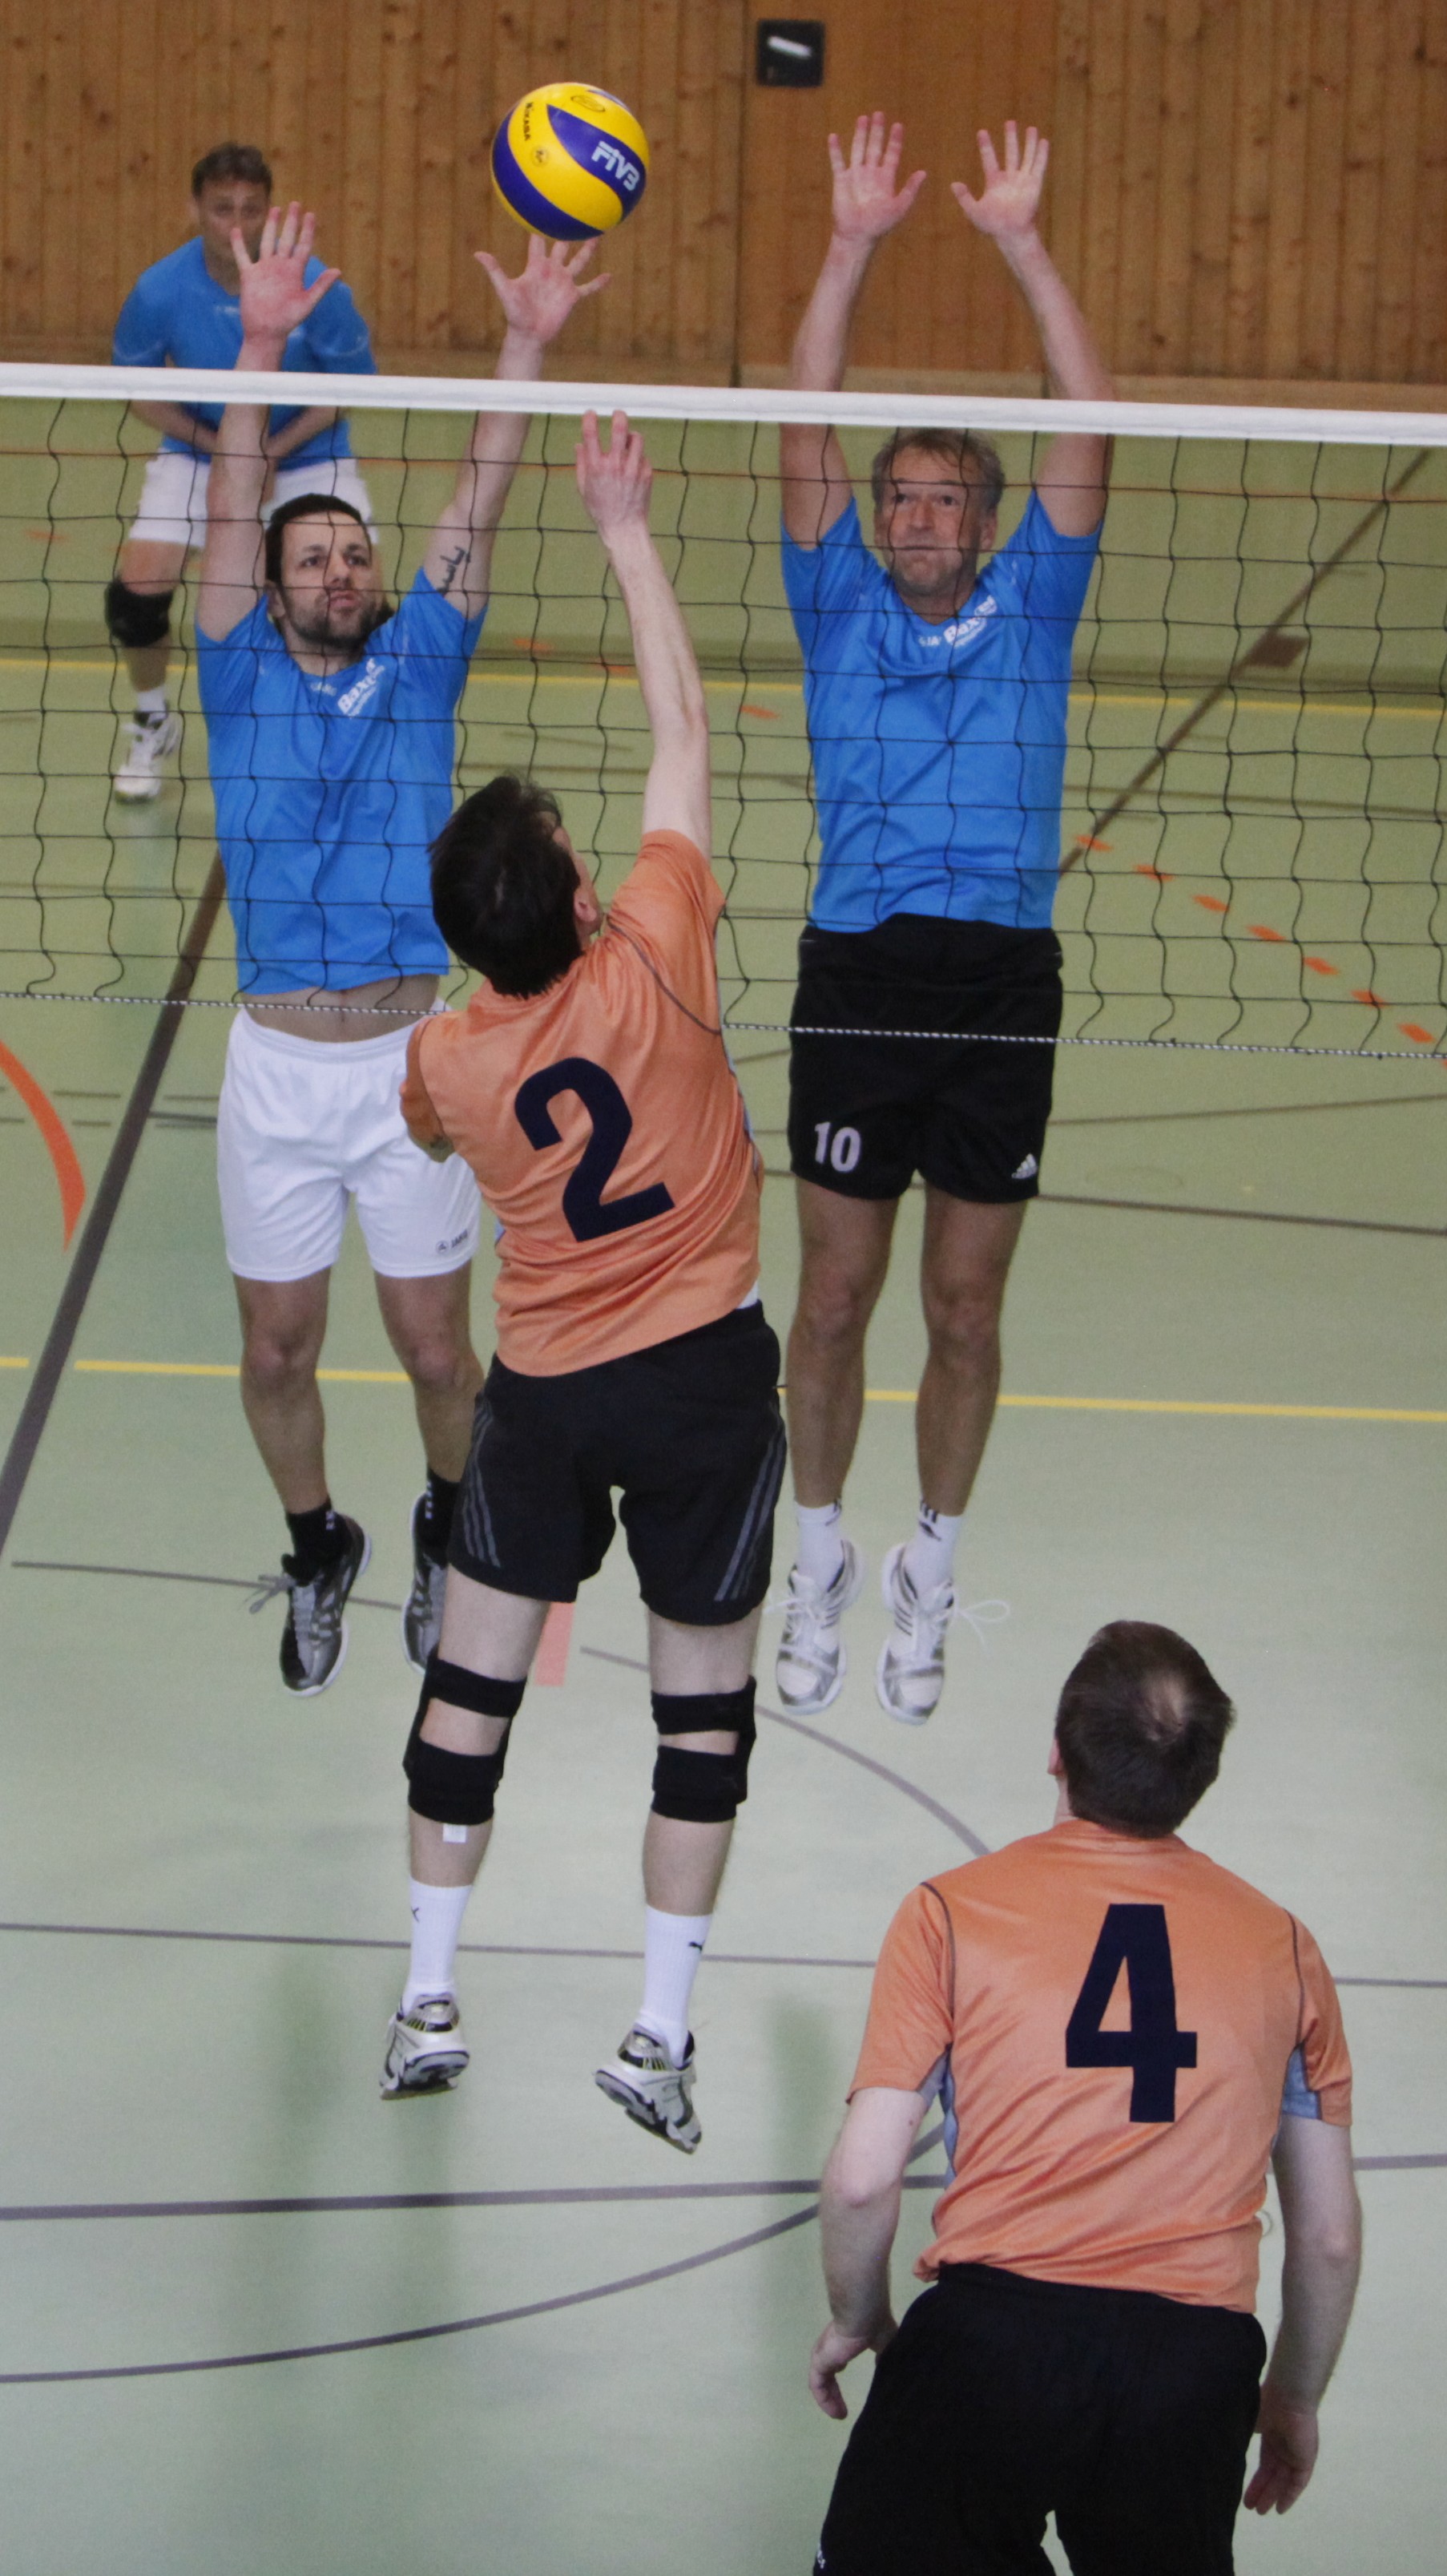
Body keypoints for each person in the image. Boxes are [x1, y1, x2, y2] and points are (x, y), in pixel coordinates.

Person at [383, 410, 784, 2149]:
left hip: (544, 1393)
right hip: (699, 1377)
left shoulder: (450, 1058)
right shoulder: (659, 945)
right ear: (577, 893)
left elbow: (422, 1129)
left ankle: (426, 1999)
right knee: (702, 1722)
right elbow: (683, 729)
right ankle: (656, 2035)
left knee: (469, 1696)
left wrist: (481, 1018)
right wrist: (623, 528)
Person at [196, 206, 606, 1694]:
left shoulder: (421, 659)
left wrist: (524, 341)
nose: (339, 569)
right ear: (269, 586)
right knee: (277, 1349)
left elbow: (478, 498)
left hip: (413, 1069)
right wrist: (259, 341)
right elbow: (233, 491)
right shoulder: (236, 669)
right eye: (311, 556)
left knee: (439, 1350)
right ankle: (320, 1545)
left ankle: (445, 1526)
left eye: (354, 552)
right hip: (275, 1069)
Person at [776, 117, 1113, 1725]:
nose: (916, 516)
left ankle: (930, 1565)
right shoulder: (835, 598)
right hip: (859, 973)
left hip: (1000, 986)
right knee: (834, 1297)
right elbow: (801, 419)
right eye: (899, 496)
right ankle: (817, 1558)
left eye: (945, 498)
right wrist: (849, 245)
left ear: (985, 521)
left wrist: (1022, 247)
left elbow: (1090, 420)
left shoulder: (1037, 600)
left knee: (965, 1308)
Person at [808, 1620, 1360, 2574]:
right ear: (1200, 1778)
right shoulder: (1287, 1948)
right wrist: (1293, 2395)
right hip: (1191, 2366)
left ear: (1057, 1752)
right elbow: (1329, 2236)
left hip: (992, 2340)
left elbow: (862, 2180)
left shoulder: (948, 1913)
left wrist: (859, 2319)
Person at [108, 142, 377, 801]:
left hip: (307, 457)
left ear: (270, 211)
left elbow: (353, 387)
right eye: (222, 209)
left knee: (353, 602)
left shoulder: (318, 286)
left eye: (251, 209)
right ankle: (152, 722)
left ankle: (339, 742)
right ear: (195, 209)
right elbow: (136, 390)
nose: (238, 224)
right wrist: (224, 449)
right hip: (200, 454)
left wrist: (271, 452)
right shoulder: (160, 290)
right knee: (134, 598)